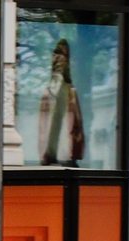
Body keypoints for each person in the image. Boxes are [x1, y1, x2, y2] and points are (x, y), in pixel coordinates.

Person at [35, 36, 84, 165]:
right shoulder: (48, 89)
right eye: (55, 53)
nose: (57, 57)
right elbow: (43, 123)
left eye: (61, 54)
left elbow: (77, 120)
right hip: (52, 150)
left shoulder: (70, 90)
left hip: (66, 150)